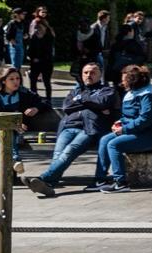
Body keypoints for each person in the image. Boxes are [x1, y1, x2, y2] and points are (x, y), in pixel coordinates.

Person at [25, 63, 118, 197]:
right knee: (58, 156)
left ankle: (43, 179)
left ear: (100, 75)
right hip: (68, 128)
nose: (88, 75)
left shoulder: (107, 90)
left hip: (88, 129)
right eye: (85, 72)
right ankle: (49, 186)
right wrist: (92, 104)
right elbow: (67, 106)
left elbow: (101, 102)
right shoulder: (75, 90)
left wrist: (81, 100)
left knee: (69, 151)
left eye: (93, 72)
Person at [89, 65, 152, 193]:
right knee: (105, 140)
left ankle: (121, 182)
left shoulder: (148, 95)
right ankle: (100, 179)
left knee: (114, 145)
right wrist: (120, 122)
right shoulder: (133, 92)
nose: (122, 82)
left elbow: (145, 119)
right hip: (138, 131)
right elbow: (129, 115)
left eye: (124, 80)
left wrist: (124, 129)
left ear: (133, 80)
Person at [0, 66, 47, 179]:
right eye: (12, 79)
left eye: (18, 78)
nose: (16, 82)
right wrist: (13, 125)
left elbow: (44, 101)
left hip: (10, 134)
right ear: (3, 80)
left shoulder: (23, 93)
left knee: (3, 138)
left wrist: (36, 108)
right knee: (6, 131)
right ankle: (15, 159)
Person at [26, 7, 56, 100]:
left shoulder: (48, 38)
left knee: (46, 81)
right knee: (33, 81)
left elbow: (49, 50)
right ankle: (33, 97)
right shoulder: (34, 35)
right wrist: (33, 57)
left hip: (46, 61)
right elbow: (30, 49)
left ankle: (48, 99)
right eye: (37, 28)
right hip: (35, 61)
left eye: (45, 12)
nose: (38, 29)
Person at [2, 8, 27, 73]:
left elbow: (24, 33)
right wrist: (12, 41)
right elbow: (8, 35)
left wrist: (25, 36)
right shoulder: (12, 23)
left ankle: (17, 77)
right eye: (22, 14)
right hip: (14, 46)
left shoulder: (22, 23)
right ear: (17, 14)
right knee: (15, 64)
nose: (24, 15)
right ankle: (13, 77)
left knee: (19, 64)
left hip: (21, 45)